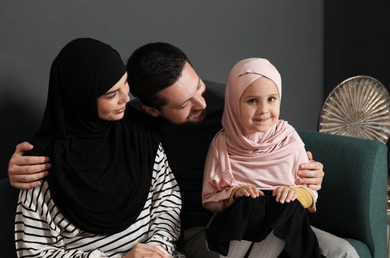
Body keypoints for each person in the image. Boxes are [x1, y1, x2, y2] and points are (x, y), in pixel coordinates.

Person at [9, 42, 358, 258]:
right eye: (185, 105)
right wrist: (15, 163)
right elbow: (78, 129)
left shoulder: (231, 101)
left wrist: (309, 170)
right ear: (150, 110)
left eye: (199, 88)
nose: (202, 103)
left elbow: (276, 137)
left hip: (272, 212)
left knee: (342, 251)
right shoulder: (134, 129)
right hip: (208, 228)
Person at [14, 38, 182, 258]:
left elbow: (167, 200)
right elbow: (34, 253)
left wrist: (158, 249)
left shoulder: (141, 134)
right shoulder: (40, 165)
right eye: (111, 95)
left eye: (126, 83)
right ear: (80, 98)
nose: (126, 98)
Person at [202, 58, 322, 257]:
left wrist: (295, 192)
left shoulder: (288, 138)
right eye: (252, 101)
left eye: (271, 99)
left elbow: (311, 194)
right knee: (251, 202)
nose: (264, 110)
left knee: (288, 205)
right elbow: (208, 198)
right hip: (237, 227)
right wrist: (235, 193)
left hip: (282, 231)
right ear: (233, 102)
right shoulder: (222, 143)